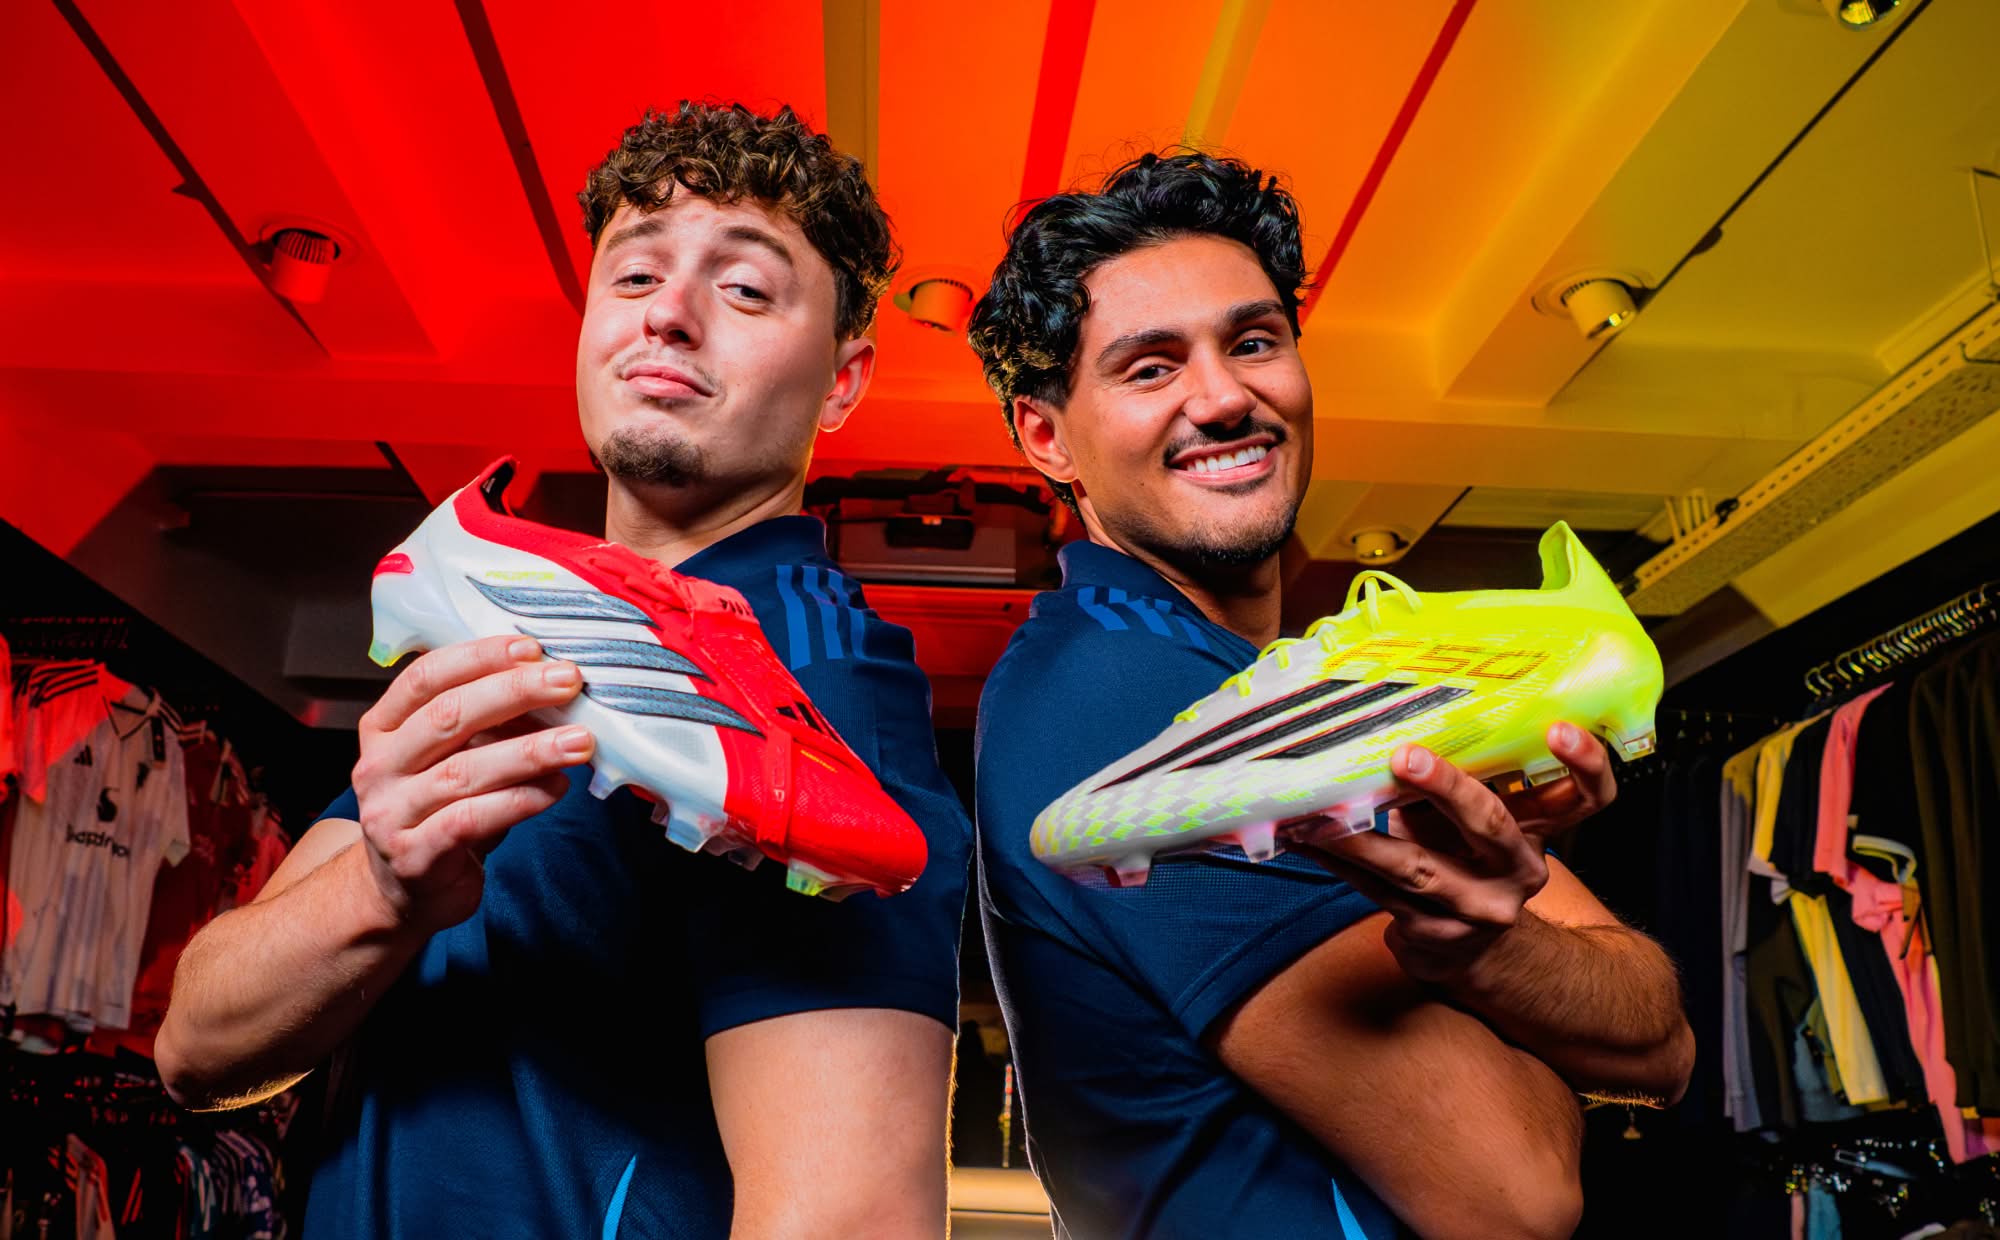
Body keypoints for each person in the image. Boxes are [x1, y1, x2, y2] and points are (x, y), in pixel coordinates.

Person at [155, 102, 971, 1239]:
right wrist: (386, 890)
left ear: (842, 382)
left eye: (745, 288)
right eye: (634, 276)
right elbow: (196, 1047)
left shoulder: (821, 689)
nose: (669, 314)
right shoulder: (511, 631)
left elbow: (849, 1220)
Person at [967, 152, 1695, 1239]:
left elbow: (1662, 1043)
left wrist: (1485, 949)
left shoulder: (1286, 695)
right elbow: (1516, 1191)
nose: (1224, 398)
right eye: (1149, 368)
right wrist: (1526, 993)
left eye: (1253, 342)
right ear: (1046, 436)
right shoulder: (1116, 700)